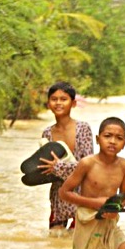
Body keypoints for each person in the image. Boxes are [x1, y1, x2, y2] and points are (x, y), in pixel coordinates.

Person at [59, 117, 125, 249]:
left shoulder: (124, 166)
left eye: (119, 138)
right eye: (107, 136)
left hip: (110, 222)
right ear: (97, 139)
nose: (113, 141)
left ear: (124, 144)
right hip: (88, 221)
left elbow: (124, 197)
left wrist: (115, 208)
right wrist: (95, 203)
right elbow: (64, 192)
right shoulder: (87, 164)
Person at [37, 82, 93, 231]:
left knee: (76, 243)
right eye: (54, 99)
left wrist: (57, 167)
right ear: (48, 104)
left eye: (63, 99)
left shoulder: (83, 129)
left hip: (81, 195)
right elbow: (46, 167)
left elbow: (88, 165)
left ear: (73, 103)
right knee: (55, 243)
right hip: (58, 196)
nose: (58, 103)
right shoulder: (47, 133)